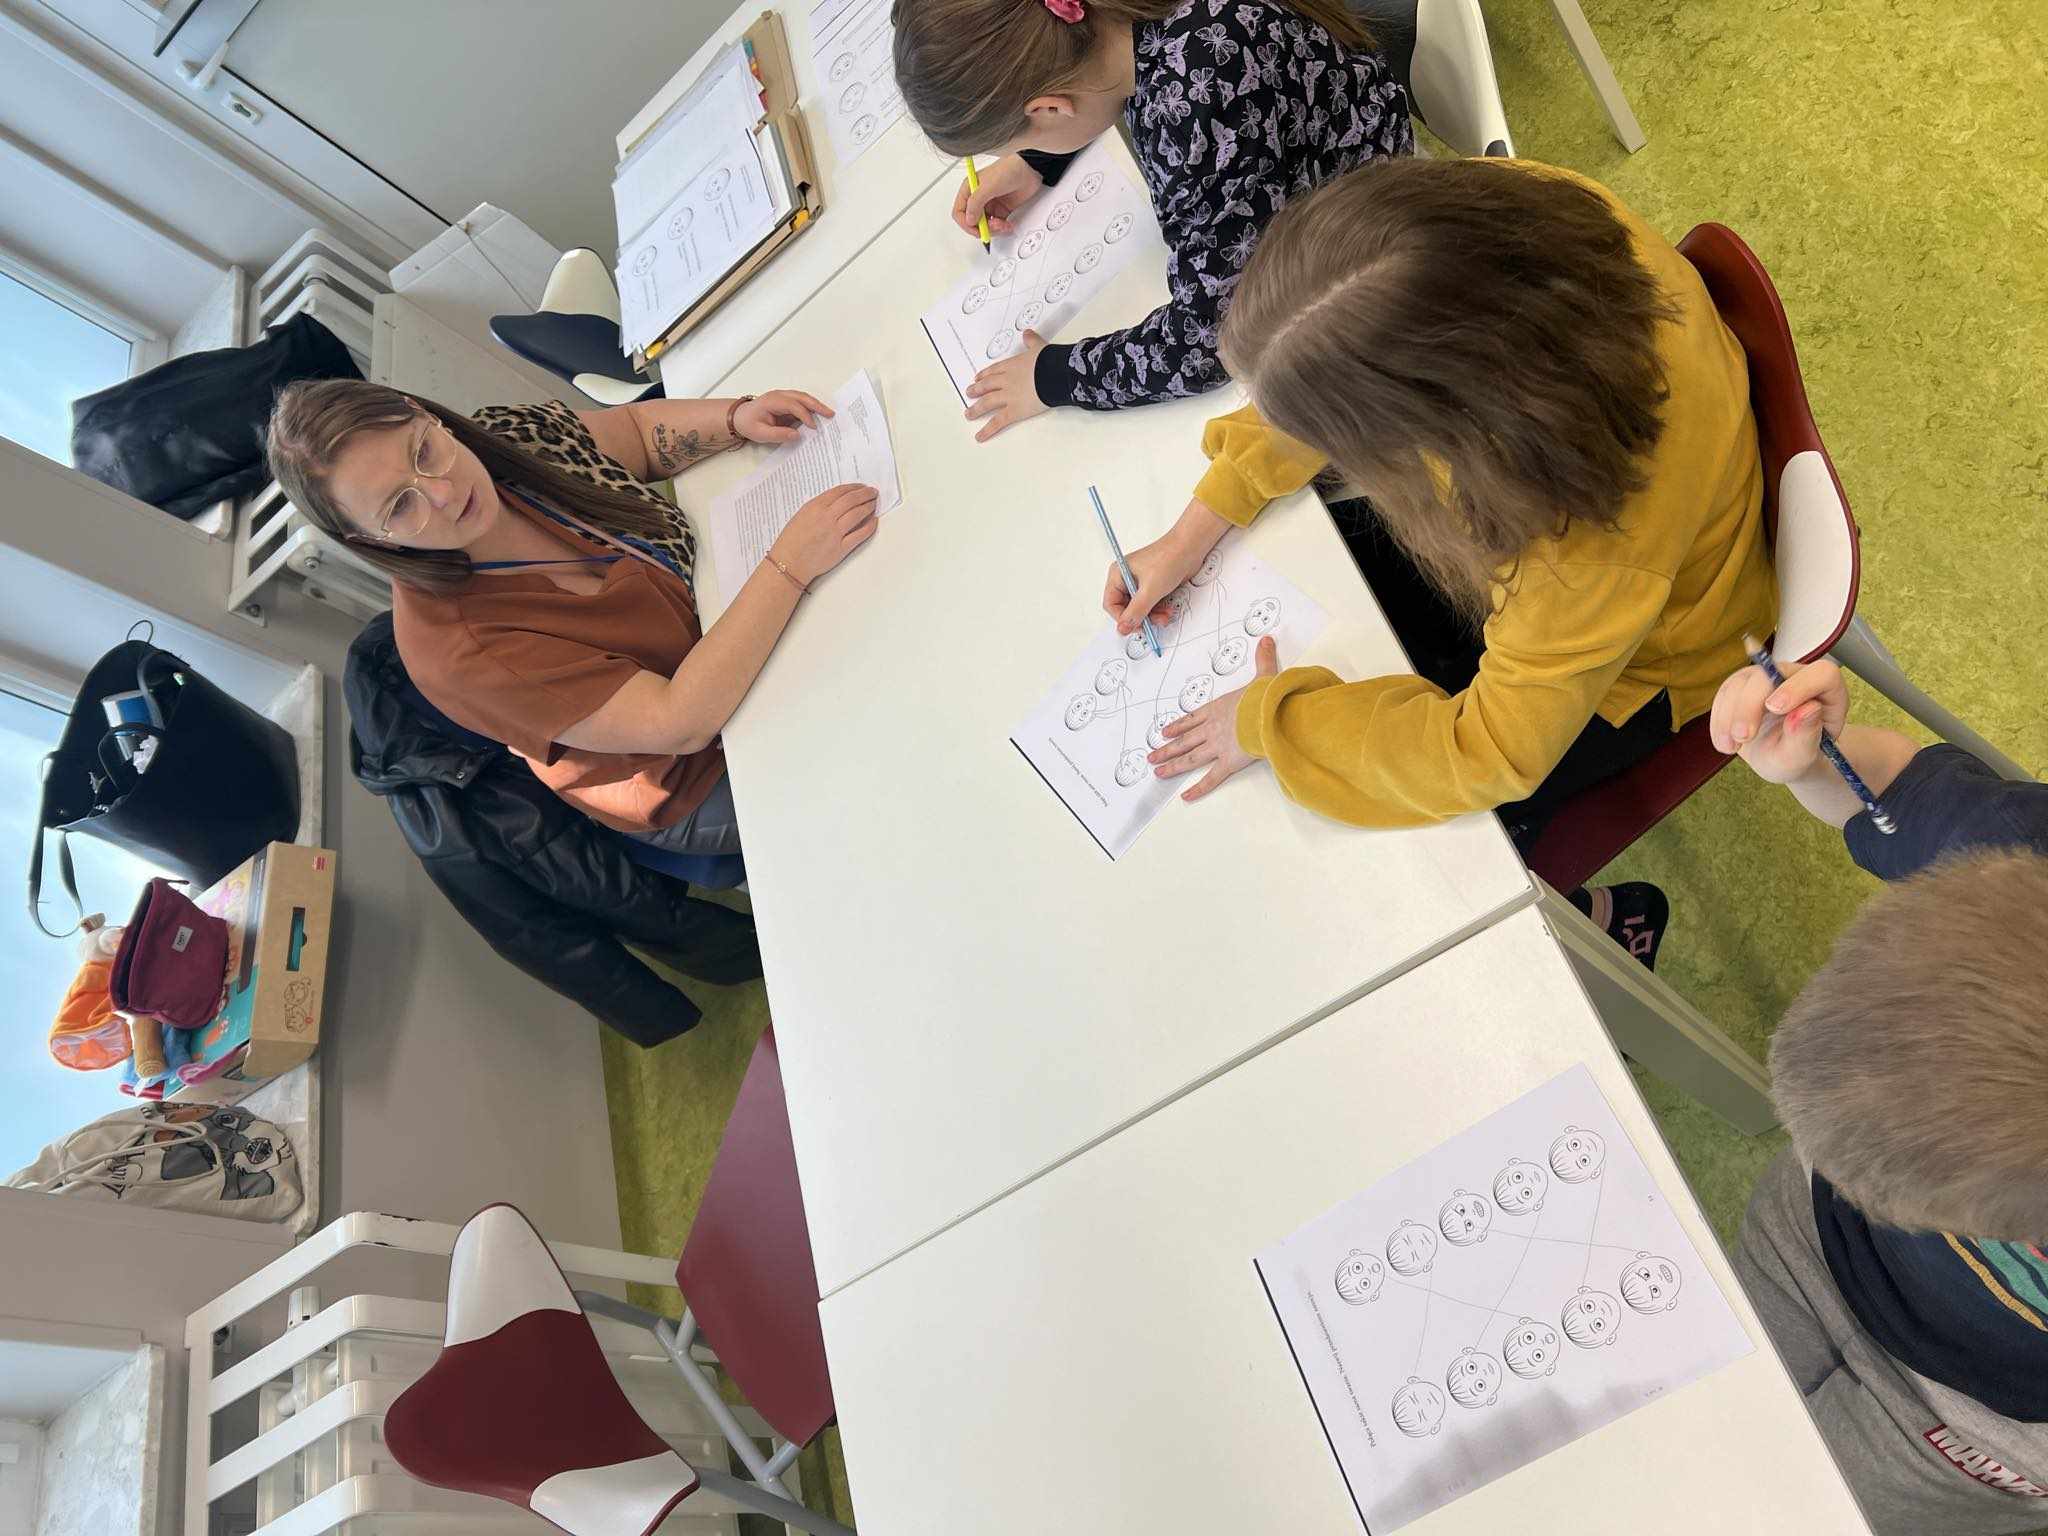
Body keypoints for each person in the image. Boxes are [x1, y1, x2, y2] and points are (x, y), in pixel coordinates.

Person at [1113, 156, 1778, 954]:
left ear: (1444, 419)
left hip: (1653, 664)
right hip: (1592, 540)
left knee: (1429, 870)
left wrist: (1269, 723)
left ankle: (1608, 922)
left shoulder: (1582, 553)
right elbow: (1341, 344)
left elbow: (1489, 753)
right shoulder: (1503, 224)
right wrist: (1196, 528)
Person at [1711, 654, 2048, 1535]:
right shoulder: (2021, 862)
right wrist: (1812, 763)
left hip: (1980, 1428)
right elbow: (1889, 791)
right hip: (1813, 1239)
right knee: (1697, 1414)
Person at [268, 380, 879, 853]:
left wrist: (734, 419)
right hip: (694, 774)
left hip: (726, 626)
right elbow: (679, 721)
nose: (443, 492)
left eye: (423, 450)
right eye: (401, 507)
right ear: (368, 540)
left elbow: (636, 434)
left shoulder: (505, 440)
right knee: (871, 770)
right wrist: (789, 566)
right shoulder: (460, 650)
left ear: (421, 412)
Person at [891, 0, 1411, 440]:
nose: (1022, 150)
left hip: (1371, 224)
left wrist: (1054, 377)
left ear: (1049, 109)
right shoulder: (1127, 31)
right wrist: (1037, 161)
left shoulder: (1197, 112)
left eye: (1019, 140)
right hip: (1336, 106)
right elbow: (1101, 83)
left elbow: (1213, 343)